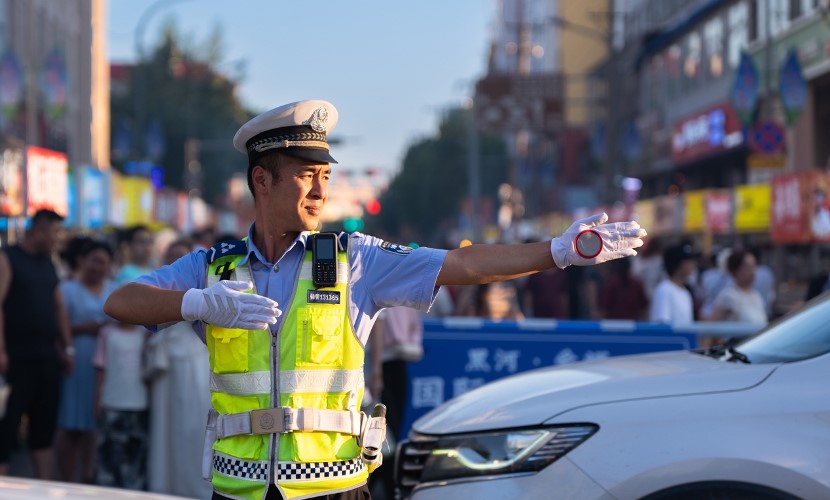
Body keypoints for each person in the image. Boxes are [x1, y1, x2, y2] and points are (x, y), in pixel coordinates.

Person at [104, 100, 646, 500]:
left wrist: (556, 252)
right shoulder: (214, 268)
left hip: (333, 488)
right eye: (306, 176)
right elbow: (121, 302)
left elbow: (461, 264)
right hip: (238, 489)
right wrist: (196, 304)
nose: (321, 191)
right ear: (261, 181)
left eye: (325, 176)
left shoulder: (354, 259)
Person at [0, 209, 75, 479]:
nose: (58, 239)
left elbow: (58, 308)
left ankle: (45, 490)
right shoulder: (7, 258)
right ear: (40, 231)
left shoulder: (47, 262)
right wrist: (1, 351)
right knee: (5, 431)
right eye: (55, 232)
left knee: (43, 433)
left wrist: (68, 347)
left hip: (46, 359)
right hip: (16, 360)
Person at [145, 239, 213, 499]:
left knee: (193, 428)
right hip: (166, 370)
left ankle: (193, 487)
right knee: (164, 431)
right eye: (172, 256)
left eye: (181, 257)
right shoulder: (159, 289)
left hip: (194, 365)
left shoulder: (205, 288)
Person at [55, 240, 117, 484]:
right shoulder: (66, 289)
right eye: (94, 260)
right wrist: (83, 329)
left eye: (103, 262)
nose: (98, 267)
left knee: (95, 424)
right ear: (82, 261)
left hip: (105, 364)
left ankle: (89, 477)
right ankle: (66, 479)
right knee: (71, 424)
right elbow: (56, 327)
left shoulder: (115, 289)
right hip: (76, 360)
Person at [368, 306, 424, 499]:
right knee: (382, 433)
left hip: (394, 364)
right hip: (375, 367)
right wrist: (376, 372)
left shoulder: (406, 295)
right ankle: (389, 489)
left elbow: (415, 325)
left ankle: (387, 489)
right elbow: (378, 323)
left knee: (389, 433)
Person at [93, 319, 149, 490]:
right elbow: (101, 368)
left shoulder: (144, 335)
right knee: (109, 453)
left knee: (135, 454)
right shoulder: (106, 333)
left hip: (138, 403)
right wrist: (97, 399)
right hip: (112, 402)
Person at [650, 242, 698, 325]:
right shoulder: (665, 289)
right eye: (688, 262)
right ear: (677, 264)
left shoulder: (686, 292)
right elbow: (662, 323)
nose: (692, 265)